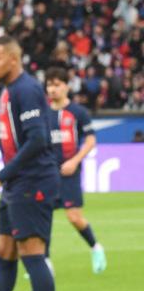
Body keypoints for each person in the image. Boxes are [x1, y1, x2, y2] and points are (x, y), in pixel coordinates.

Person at [0, 36, 60, 291]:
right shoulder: (9, 91)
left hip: (32, 180)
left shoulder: (27, 89)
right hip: (17, 182)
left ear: (14, 59)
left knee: (31, 251)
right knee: (4, 250)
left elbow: (38, 139)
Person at [44, 68, 106, 273]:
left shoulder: (78, 112)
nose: (52, 89)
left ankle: (96, 247)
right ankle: (44, 262)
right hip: (46, 173)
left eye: (57, 85)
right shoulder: (42, 113)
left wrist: (75, 161)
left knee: (74, 217)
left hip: (69, 173)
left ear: (66, 86)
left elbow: (90, 140)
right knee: (42, 217)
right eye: (49, 85)